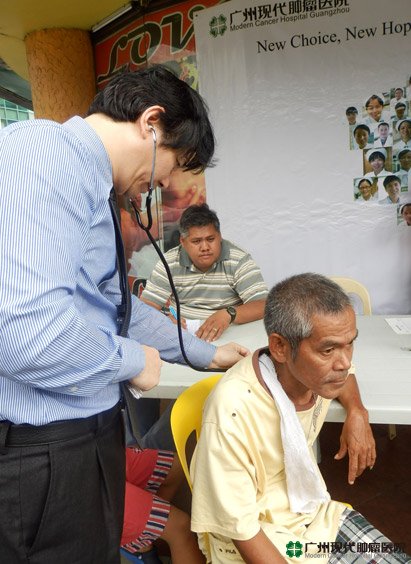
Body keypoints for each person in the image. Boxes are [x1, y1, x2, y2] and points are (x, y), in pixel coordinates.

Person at [0, 65, 248, 564]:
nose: (163, 183)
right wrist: (132, 361)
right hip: (42, 454)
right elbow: (23, 332)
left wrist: (207, 353)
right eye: (174, 165)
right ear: (150, 123)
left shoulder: (90, 183)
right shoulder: (46, 154)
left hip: (83, 437)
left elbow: (117, 308)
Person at [191, 273, 410, 564]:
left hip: (314, 518)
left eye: (349, 344)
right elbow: (242, 531)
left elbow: (347, 375)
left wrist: (357, 411)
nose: (343, 363)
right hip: (259, 536)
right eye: (329, 349)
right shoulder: (232, 412)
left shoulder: (315, 372)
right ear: (280, 347)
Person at [141, 203, 268, 343]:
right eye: (196, 241)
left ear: (219, 236)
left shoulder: (238, 260)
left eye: (210, 239)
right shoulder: (169, 262)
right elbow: (146, 306)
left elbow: (263, 305)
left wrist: (229, 314)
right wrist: (165, 317)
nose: (205, 247)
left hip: (229, 335)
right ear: (182, 242)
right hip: (182, 336)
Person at [121, 447, 204, 564]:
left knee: (176, 468)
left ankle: (146, 540)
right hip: (91, 491)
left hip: (95, 452)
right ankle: (144, 545)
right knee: (179, 526)